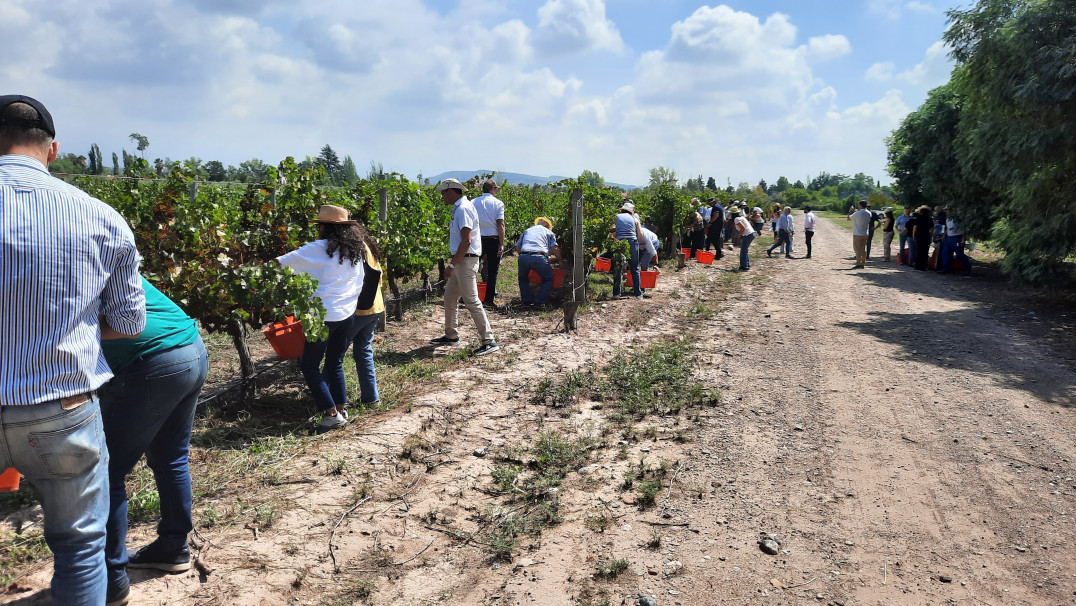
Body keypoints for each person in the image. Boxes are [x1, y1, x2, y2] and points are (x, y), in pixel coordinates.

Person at [0, 95, 147, 605]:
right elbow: (130, 322)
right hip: (62, 406)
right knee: (81, 546)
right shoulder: (99, 216)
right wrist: (70, 323)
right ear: (54, 150)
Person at [100, 278, 208, 604]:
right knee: (170, 458)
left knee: (105, 471)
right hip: (190, 349)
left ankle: (110, 580)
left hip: (152, 362)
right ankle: (173, 547)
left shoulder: (45, 269)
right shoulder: (91, 245)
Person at [277, 204, 365, 433]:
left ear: (325, 227)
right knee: (335, 362)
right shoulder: (354, 250)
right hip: (346, 314)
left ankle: (331, 414)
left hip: (322, 317)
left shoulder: (318, 248)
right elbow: (359, 282)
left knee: (309, 366)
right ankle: (341, 408)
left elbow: (280, 264)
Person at [431, 178, 499, 355]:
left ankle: (489, 340)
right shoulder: (460, 208)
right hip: (462, 260)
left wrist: (452, 264)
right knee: (450, 298)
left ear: (452, 191)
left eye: (444, 193)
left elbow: (466, 240)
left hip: (465, 261)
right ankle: (451, 335)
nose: (442, 197)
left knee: (472, 300)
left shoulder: (463, 209)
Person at [351, 223, 385, 407]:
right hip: (376, 306)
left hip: (361, 308)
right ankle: (371, 398)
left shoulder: (353, 248)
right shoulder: (366, 245)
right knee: (363, 350)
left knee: (336, 352)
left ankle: (324, 391)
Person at [472, 179, 505, 306]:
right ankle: (488, 300)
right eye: (495, 189)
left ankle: (469, 296)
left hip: (477, 239)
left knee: (471, 268)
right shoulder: (498, 204)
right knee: (492, 271)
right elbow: (500, 224)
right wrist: (501, 243)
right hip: (493, 240)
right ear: (493, 189)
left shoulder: (473, 202)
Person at [515, 217, 561, 307]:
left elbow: (517, 247)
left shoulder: (527, 231)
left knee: (523, 278)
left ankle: (526, 302)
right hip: (539, 257)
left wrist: (526, 257)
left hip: (523, 256)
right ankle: (539, 302)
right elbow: (554, 249)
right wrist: (560, 261)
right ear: (548, 226)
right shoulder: (549, 232)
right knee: (548, 278)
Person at [611, 201, 644, 299]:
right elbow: (641, 234)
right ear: (631, 211)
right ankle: (638, 294)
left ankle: (616, 294)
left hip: (620, 243)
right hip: (632, 242)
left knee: (618, 268)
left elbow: (613, 231)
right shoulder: (635, 219)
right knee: (635, 269)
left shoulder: (617, 217)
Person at [847, 200, 872, 268]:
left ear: (860, 205)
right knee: (863, 249)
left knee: (857, 249)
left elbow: (849, 218)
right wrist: (856, 212)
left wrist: (851, 211)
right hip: (865, 233)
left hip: (857, 233)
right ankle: (863, 262)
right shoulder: (869, 213)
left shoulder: (857, 213)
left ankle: (858, 263)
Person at [911, 205, 934, 271]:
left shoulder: (919, 217)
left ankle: (918, 265)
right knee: (925, 251)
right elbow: (932, 228)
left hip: (919, 236)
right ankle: (924, 265)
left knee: (919, 251)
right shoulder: (929, 218)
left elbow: (915, 227)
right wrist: (931, 236)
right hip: (926, 235)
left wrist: (913, 235)